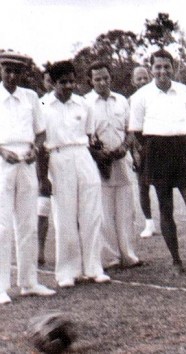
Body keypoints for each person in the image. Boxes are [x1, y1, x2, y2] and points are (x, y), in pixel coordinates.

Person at [129, 49, 186, 274]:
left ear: (173, 68)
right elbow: (136, 131)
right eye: (158, 67)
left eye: (167, 66)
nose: (162, 71)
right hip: (156, 150)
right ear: (151, 68)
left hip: (182, 148)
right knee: (166, 209)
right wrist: (146, 154)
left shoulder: (184, 91)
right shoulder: (140, 96)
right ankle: (176, 261)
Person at [42, 60, 110, 288]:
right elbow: (42, 142)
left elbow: (89, 137)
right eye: (63, 82)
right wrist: (43, 176)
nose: (69, 86)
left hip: (82, 156)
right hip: (58, 157)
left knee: (91, 214)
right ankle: (67, 272)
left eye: (72, 81)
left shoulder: (83, 105)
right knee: (65, 217)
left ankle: (93, 267)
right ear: (52, 82)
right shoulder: (43, 106)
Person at [0, 52, 57, 305]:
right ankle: (0, 286)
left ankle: (29, 282)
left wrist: (36, 148)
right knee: (1, 227)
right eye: (7, 70)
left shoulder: (31, 97)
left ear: (23, 73)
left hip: (26, 162)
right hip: (3, 162)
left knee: (28, 223)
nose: (12, 76)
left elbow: (41, 132)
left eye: (16, 71)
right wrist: (1, 151)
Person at [85, 61, 142, 270]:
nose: (102, 82)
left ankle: (129, 255)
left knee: (126, 210)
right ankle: (111, 257)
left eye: (106, 78)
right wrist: (98, 154)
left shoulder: (121, 101)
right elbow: (84, 134)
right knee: (104, 211)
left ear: (111, 78)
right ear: (90, 81)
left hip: (121, 160)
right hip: (98, 163)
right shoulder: (85, 103)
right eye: (97, 79)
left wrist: (126, 146)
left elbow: (131, 129)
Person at [129, 66, 157, 238]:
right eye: (138, 78)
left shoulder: (156, 97)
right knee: (142, 185)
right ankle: (149, 223)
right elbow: (130, 129)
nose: (142, 81)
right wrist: (135, 152)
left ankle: (166, 219)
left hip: (157, 146)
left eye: (145, 78)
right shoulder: (130, 100)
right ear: (133, 81)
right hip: (140, 148)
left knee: (162, 185)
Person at [36, 70, 54, 266]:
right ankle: (40, 250)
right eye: (48, 81)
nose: (51, 84)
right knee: (42, 208)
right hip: (44, 159)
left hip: (64, 158)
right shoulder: (39, 103)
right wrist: (42, 175)